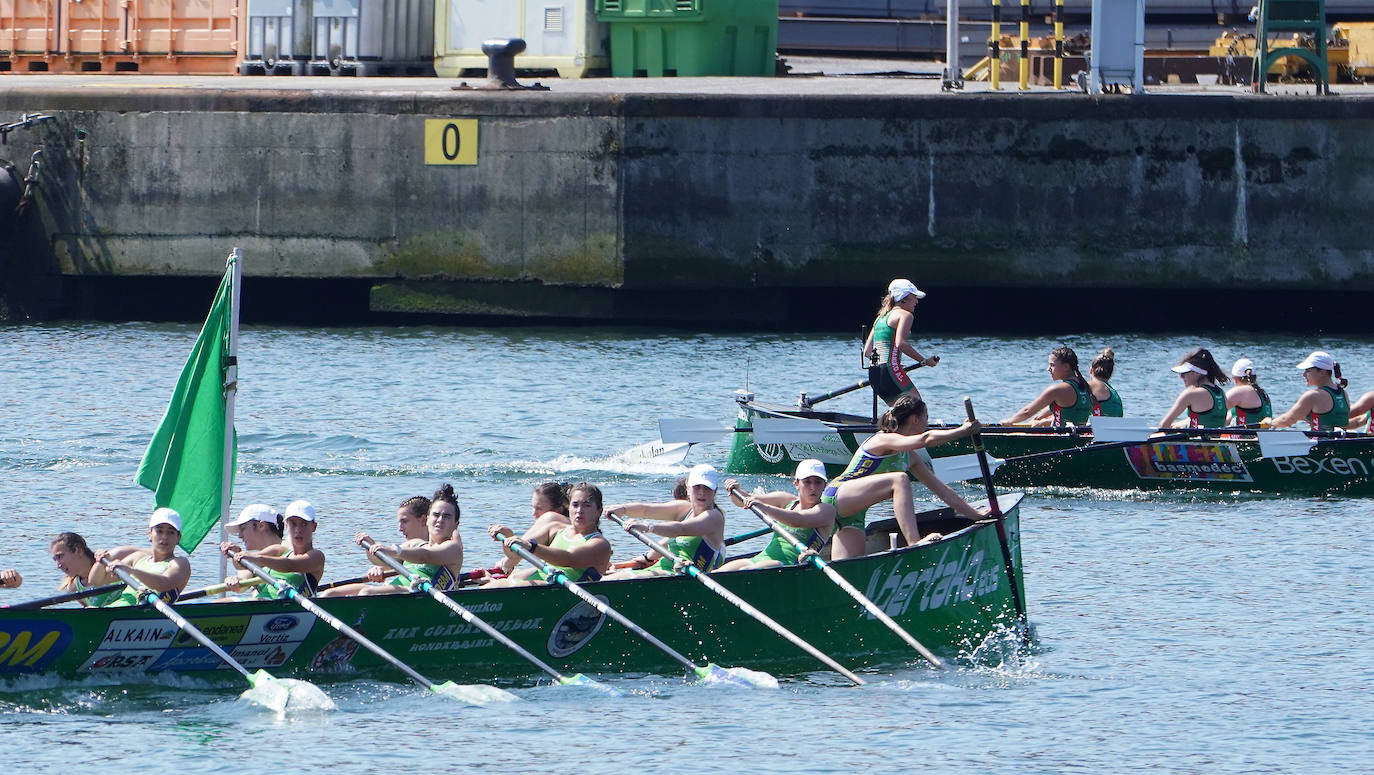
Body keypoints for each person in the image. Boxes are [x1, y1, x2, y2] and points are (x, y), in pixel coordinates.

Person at [823, 395, 987, 559]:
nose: (927, 423)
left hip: (854, 514)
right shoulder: (883, 439)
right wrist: (963, 431)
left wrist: (976, 515)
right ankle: (914, 542)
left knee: (849, 569)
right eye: (926, 418)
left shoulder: (910, 457)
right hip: (838, 494)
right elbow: (926, 439)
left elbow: (943, 491)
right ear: (915, 419)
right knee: (899, 480)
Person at [322, 485, 463, 596]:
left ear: (456, 524)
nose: (440, 520)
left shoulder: (453, 549)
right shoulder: (414, 544)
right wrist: (372, 547)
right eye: (436, 515)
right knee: (330, 594)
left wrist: (395, 551)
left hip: (417, 597)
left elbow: (425, 555)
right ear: (427, 519)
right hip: (395, 591)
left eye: (447, 516)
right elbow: (381, 560)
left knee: (367, 593)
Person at [602, 464, 728, 579]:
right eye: (697, 487)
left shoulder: (714, 517)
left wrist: (647, 527)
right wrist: (622, 509)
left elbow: (681, 529)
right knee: (603, 577)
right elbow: (647, 510)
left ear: (715, 491)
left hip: (686, 577)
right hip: (664, 569)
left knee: (618, 579)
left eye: (707, 488)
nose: (701, 492)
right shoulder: (684, 508)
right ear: (688, 489)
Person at [486, 482, 613, 588]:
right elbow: (513, 555)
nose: (579, 510)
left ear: (599, 511)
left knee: (511, 586)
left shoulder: (599, 544)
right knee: (493, 586)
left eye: (586, 505)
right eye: (575, 505)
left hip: (565, 591)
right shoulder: (556, 529)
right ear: (568, 507)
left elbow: (568, 558)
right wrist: (508, 537)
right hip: (545, 581)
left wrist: (531, 546)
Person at [717, 459, 834, 571]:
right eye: (807, 481)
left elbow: (797, 520)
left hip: (789, 565)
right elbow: (744, 500)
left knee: (745, 571)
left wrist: (763, 507)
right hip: (761, 559)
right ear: (797, 483)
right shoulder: (785, 499)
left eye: (818, 482)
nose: (813, 487)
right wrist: (735, 491)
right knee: (718, 574)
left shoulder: (826, 510)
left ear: (824, 485)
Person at [222, 500, 325, 599]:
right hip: (265, 604)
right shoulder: (277, 550)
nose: (298, 530)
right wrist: (237, 554)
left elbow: (290, 565)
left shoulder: (317, 556)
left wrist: (256, 558)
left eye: (304, 524)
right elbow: (243, 566)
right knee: (223, 602)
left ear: (314, 527)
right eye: (293, 524)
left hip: (288, 610)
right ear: (286, 526)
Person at [91, 508, 192, 607]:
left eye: (170, 532)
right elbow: (96, 580)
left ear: (178, 538)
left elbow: (164, 583)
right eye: (159, 531)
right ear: (150, 534)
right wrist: (100, 561)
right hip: (115, 612)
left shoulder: (180, 563)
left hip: (142, 617)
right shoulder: (137, 558)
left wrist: (133, 571)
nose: (164, 537)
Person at [862, 278, 938, 405]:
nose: (916, 301)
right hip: (890, 371)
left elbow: (867, 352)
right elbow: (901, 344)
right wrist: (924, 361)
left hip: (874, 373)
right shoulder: (905, 315)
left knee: (900, 413)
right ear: (903, 298)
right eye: (914, 297)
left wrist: (893, 363)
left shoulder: (880, 318)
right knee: (917, 406)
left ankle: (887, 425)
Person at [486, 482, 570, 579]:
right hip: (568, 574)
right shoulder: (569, 525)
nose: (533, 514)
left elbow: (514, 556)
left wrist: (508, 536)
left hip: (565, 577)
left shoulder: (551, 517)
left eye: (538, 508)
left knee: (512, 579)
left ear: (558, 511)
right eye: (533, 507)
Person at [1002, 346, 1093, 426]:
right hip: (1078, 437)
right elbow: (1071, 412)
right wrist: (1040, 418)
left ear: (1066, 367)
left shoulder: (1057, 390)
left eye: (1052, 365)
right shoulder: (1086, 386)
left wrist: (1009, 422)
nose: (1048, 369)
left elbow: (1027, 412)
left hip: (1058, 438)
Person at [1271, 351, 1350, 430]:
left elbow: (1287, 420)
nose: (1304, 374)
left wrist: (1270, 422)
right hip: (1339, 440)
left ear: (1322, 372)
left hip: (1319, 441)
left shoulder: (1313, 396)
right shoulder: (1343, 393)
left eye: (1308, 371)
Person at [219, 503, 286, 595]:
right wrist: (235, 581)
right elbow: (241, 586)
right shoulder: (253, 558)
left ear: (261, 526)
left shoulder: (289, 549)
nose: (240, 536)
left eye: (243, 528)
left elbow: (263, 559)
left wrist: (239, 555)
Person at [1159, 347, 1231, 429]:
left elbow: (1163, 425)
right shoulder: (1221, 393)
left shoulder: (1191, 394)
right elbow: (1208, 420)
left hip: (1195, 440)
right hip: (1214, 439)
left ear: (1197, 373)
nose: (1181, 377)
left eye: (1184, 373)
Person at [51, 532, 121, 606]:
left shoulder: (112, 561)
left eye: (60, 557)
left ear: (78, 550)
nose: (58, 565)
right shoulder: (74, 589)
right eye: (55, 559)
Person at [1226, 357, 1273, 426]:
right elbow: (1227, 419)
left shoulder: (1240, 392)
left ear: (1235, 378)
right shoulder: (1262, 393)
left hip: (1245, 436)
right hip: (1260, 435)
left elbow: (1217, 407)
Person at [1088, 347, 1124, 418]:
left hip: (1099, 427)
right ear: (1111, 374)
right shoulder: (1114, 394)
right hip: (1114, 427)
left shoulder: (1093, 385)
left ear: (1091, 370)